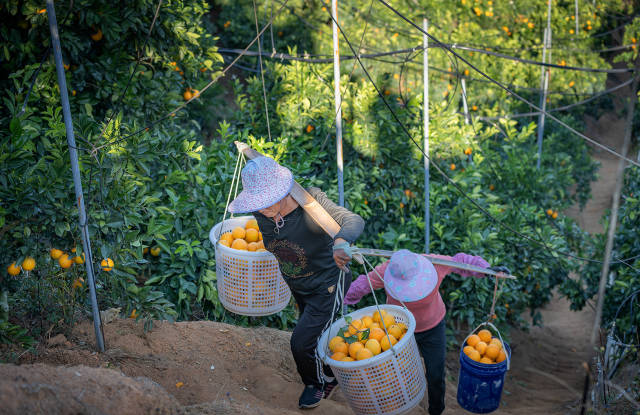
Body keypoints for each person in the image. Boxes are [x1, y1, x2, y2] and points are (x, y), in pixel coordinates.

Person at [228, 156, 365, 409]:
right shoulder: (262, 212)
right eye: (257, 204)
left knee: (301, 342)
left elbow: (353, 221)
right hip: (299, 285)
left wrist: (340, 241)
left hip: (328, 284)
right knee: (316, 334)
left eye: (266, 203)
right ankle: (331, 372)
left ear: (282, 192)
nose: (261, 210)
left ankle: (316, 384)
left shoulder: (311, 202)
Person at [344, 249, 507, 415]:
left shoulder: (434, 263)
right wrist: (340, 297)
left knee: (435, 374)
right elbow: (363, 284)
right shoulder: (387, 271)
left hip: (433, 328)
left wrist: (487, 269)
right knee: (397, 375)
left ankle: (436, 410)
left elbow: (460, 261)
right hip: (401, 332)